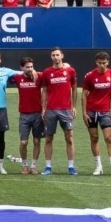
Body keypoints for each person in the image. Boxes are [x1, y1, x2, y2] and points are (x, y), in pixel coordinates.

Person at [40, 48, 81, 176]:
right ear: (51, 57)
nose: (56, 57)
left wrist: (74, 107)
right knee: (48, 138)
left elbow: (74, 89)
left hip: (66, 110)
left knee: (69, 138)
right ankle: (48, 167)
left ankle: (71, 167)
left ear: (62, 56)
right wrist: (43, 108)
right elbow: (44, 90)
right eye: (53, 55)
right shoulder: (47, 72)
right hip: (51, 110)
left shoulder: (70, 71)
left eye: (58, 55)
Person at [82, 52, 111, 177]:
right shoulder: (89, 76)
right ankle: (98, 166)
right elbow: (83, 95)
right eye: (100, 63)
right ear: (96, 62)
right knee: (94, 138)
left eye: (104, 63)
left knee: (109, 138)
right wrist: (84, 113)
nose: (102, 65)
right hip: (91, 112)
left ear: (108, 62)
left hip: (105, 112)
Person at [12, 56, 42, 174]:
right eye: (27, 67)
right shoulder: (17, 78)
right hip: (24, 115)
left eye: (31, 67)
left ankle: (33, 166)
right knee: (23, 142)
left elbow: (56, 70)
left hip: (38, 114)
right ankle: (24, 165)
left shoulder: (39, 76)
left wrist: (35, 72)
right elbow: (6, 74)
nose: (30, 69)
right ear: (21, 68)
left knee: (36, 141)